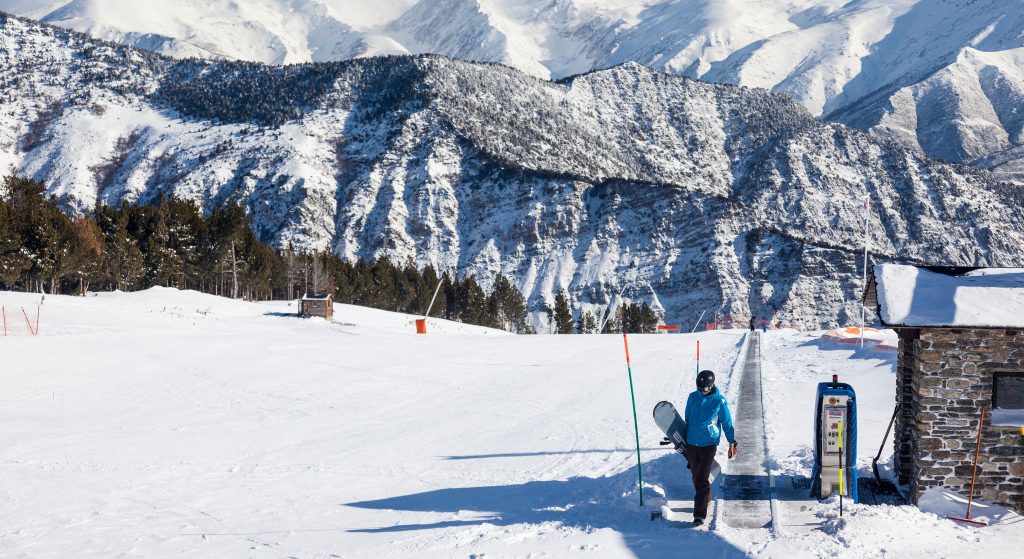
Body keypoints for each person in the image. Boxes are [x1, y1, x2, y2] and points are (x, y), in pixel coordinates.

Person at [684, 369, 737, 526]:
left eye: (705, 388)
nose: (702, 391)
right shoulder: (693, 397)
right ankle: (706, 498)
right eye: (699, 388)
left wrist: (732, 441)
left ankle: (699, 515)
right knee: (696, 477)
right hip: (692, 443)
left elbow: (726, 422)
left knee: (701, 479)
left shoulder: (719, 401)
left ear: (712, 385)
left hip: (709, 444)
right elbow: (688, 418)